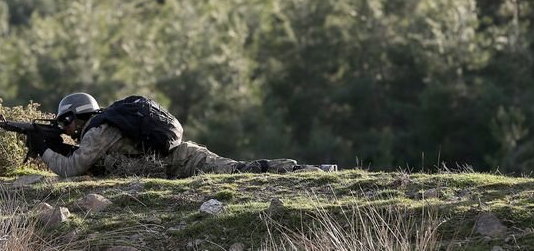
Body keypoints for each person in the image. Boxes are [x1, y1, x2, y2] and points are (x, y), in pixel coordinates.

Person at [26, 93, 331, 178]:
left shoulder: (98, 130)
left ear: (76, 116)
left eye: (65, 122)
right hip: (179, 160)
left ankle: (311, 171)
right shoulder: (103, 127)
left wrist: (44, 150)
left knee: (242, 172)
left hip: (184, 161)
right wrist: (58, 147)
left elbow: (73, 168)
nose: (64, 128)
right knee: (240, 172)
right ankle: (310, 171)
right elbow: (91, 162)